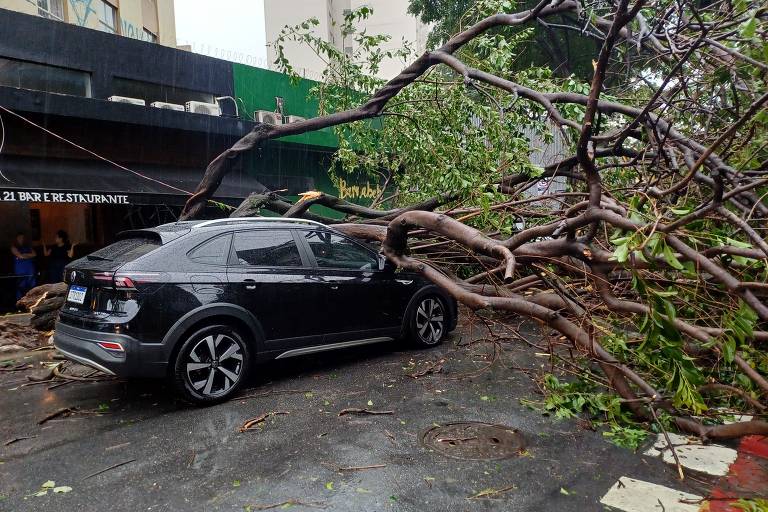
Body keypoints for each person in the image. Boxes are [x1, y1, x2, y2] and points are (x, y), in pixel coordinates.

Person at [11, 232, 36, 301]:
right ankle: (20, 302)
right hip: (20, 269)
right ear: (16, 239)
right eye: (19, 238)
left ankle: (32, 301)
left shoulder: (28, 247)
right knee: (21, 286)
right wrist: (27, 255)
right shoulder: (13, 247)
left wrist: (24, 254)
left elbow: (34, 254)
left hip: (30, 268)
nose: (21, 239)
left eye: (22, 238)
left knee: (32, 285)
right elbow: (20, 256)